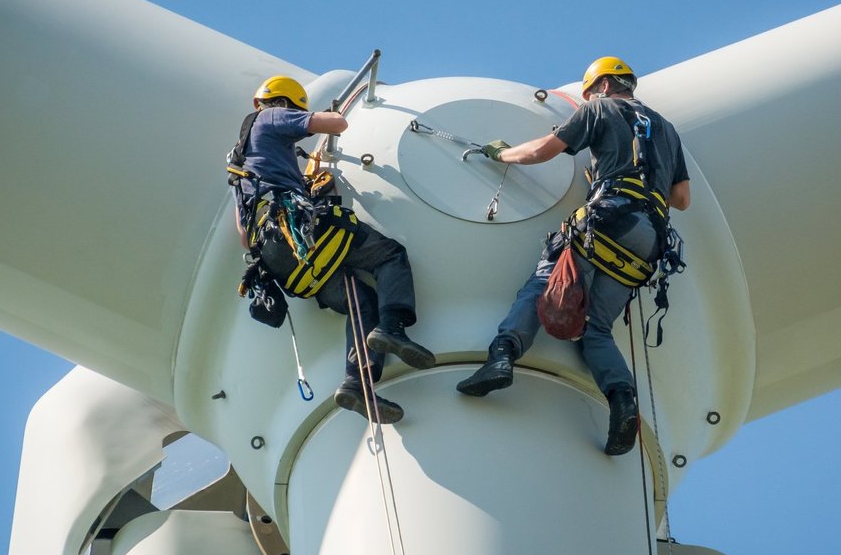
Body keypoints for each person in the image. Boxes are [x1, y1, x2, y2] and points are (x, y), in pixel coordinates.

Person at [456, 57, 691, 455]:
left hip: (607, 218)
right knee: (595, 328)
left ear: (599, 86)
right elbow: (681, 199)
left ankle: (502, 357)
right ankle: (622, 400)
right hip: (648, 241)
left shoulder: (599, 109)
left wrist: (501, 155)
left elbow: (543, 151)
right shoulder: (666, 130)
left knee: (543, 285)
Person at [229, 75, 435, 424]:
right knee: (388, 255)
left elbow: (243, 236)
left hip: (279, 256)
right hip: (300, 230)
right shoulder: (272, 117)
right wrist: (322, 119)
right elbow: (336, 123)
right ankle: (393, 328)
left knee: (360, 300)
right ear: (286, 103)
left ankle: (356, 384)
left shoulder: (238, 162)